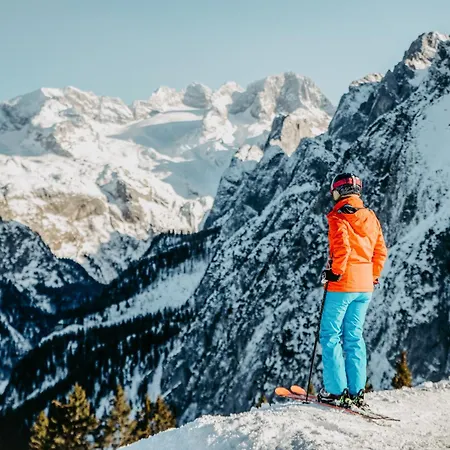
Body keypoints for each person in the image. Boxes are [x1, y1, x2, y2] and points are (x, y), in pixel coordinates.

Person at [318, 173, 387, 407]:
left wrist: (334, 272)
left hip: (343, 285)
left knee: (330, 335)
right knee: (354, 337)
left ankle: (336, 392)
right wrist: (372, 276)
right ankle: (357, 392)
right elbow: (380, 252)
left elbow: (342, 249)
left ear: (338, 192)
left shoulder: (338, 216)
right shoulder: (371, 217)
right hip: (365, 287)